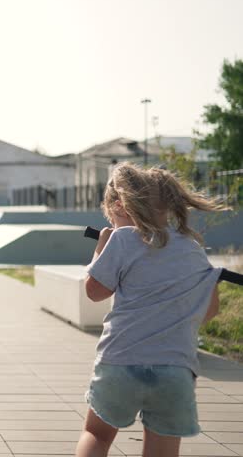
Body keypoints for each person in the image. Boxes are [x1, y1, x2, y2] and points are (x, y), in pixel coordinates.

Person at [75, 163, 225, 457]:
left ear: (120, 206)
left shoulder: (121, 238)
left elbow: (94, 292)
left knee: (96, 433)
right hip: (175, 368)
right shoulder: (192, 247)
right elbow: (210, 309)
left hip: (121, 361)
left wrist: (100, 250)